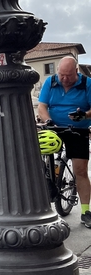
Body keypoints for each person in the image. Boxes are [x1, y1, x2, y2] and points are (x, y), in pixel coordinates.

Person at [38, 56, 91, 228]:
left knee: (80, 171)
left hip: (78, 130)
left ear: (76, 71)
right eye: (62, 75)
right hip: (54, 127)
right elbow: (42, 106)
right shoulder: (51, 82)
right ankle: (47, 181)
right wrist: (47, 121)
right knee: (39, 151)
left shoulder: (87, 84)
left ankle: (86, 212)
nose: (65, 79)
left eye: (68, 75)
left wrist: (84, 115)